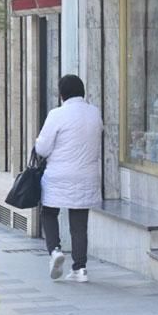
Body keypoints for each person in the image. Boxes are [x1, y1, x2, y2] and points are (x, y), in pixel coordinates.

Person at [35, 75, 104, 283]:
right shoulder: (95, 114)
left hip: (59, 175)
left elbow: (43, 148)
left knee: (48, 213)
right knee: (79, 223)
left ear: (62, 94)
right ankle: (80, 268)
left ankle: (55, 250)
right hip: (87, 176)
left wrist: (38, 141)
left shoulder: (57, 114)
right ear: (82, 92)